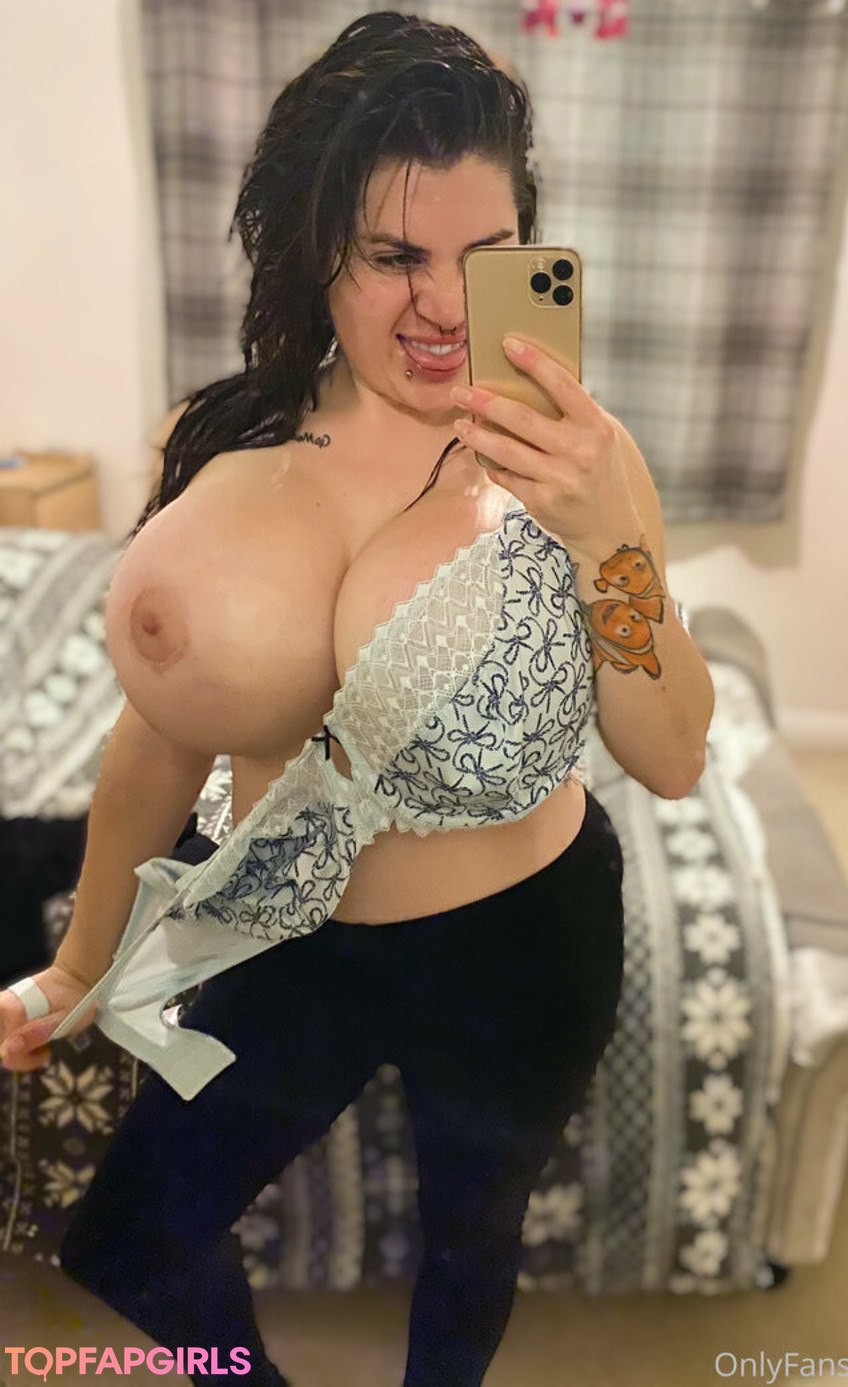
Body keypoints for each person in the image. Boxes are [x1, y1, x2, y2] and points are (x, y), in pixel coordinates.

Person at [0, 11, 714, 1384]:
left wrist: (606, 543)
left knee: (473, 1240)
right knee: (135, 1242)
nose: (445, 307)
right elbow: (165, 728)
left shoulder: (579, 459)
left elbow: (673, 754)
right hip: (284, 930)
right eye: (395, 257)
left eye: (483, 257)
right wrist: (83, 962)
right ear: (318, 246)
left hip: (522, 942)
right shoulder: (225, 438)